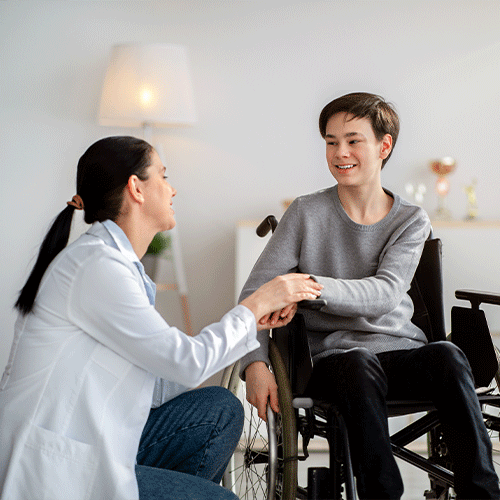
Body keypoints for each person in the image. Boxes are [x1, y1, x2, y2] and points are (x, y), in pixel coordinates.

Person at [0, 136, 323, 500]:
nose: (172, 190)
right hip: (55, 472)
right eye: (163, 176)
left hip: (97, 444)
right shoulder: (98, 268)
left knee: (219, 409)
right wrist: (255, 303)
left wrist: (248, 325)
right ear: (136, 188)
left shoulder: (114, 264)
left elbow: (159, 383)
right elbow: (184, 364)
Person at [238, 92, 500, 499]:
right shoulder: (305, 213)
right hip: (333, 361)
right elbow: (255, 294)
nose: (340, 152)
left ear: (384, 145)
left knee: (449, 354)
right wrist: (255, 363)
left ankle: (483, 494)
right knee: (358, 362)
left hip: (400, 354)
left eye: (353, 140)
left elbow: (383, 294)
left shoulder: (410, 219)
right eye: (331, 141)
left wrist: (306, 286)